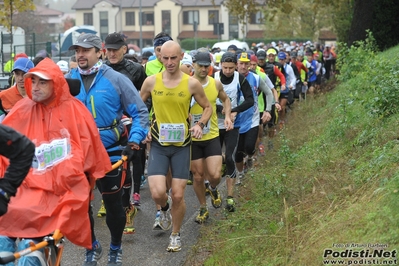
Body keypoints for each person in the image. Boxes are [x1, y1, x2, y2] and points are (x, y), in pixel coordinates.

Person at [0, 58, 111, 265]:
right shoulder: (21, 110)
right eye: (33, 81)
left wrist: (66, 176)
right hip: (24, 187)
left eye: (43, 82)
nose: (36, 87)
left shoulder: (75, 111)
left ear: (56, 83)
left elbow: (87, 154)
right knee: (3, 235)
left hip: (59, 190)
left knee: (29, 251)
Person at [66, 33, 149, 265]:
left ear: (99, 52)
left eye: (86, 50)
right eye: (77, 51)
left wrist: (134, 142)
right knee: (80, 206)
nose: (80, 55)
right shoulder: (68, 80)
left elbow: (140, 113)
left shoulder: (115, 79)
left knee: (113, 206)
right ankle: (91, 246)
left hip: (110, 151)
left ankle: (115, 247)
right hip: (78, 153)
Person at [140, 40, 212, 252]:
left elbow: (207, 107)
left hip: (182, 145)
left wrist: (199, 124)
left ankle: (175, 234)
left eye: (174, 58)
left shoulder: (191, 83)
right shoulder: (151, 82)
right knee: (157, 193)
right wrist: (142, 128)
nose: (170, 62)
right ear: (159, 57)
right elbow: (137, 107)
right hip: (159, 144)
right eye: (165, 58)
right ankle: (163, 208)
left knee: (179, 195)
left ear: (181, 57)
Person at [103, 32, 147, 233]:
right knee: (106, 166)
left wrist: (143, 124)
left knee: (128, 162)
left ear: (124, 49)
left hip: (130, 124)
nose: (111, 53)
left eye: (115, 49)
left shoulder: (136, 70)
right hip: (108, 126)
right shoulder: (99, 71)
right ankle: (114, 199)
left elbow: (145, 99)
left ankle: (127, 206)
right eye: (108, 50)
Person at [190, 50, 232, 224]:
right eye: (200, 65)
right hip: (193, 138)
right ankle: (202, 207)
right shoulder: (185, 84)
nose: (203, 69)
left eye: (206, 66)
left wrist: (228, 116)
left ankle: (213, 188)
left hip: (212, 134)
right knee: (198, 176)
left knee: (215, 175)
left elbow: (226, 100)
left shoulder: (215, 84)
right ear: (193, 64)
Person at [214, 52, 254, 212]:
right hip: (214, 125)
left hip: (232, 125)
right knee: (214, 163)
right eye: (225, 67)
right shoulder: (214, 77)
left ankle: (230, 197)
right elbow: (202, 97)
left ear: (236, 66)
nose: (228, 71)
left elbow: (250, 99)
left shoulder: (240, 78)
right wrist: (220, 109)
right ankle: (213, 188)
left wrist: (234, 110)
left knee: (230, 157)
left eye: (231, 68)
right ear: (220, 65)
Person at [235, 52, 274, 184]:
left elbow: (269, 93)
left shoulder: (256, 78)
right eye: (241, 63)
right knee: (238, 153)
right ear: (237, 64)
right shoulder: (231, 78)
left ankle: (250, 157)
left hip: (252, 119)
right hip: (236, 121)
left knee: (250, 147)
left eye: (246, 63)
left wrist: (268, 110)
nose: (244, 66)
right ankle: (240, 174)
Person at [0, 57, 34, 122]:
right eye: (17, 74)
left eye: (24, 74)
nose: (20, 78)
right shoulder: (3, 96)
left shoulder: (38, 96)